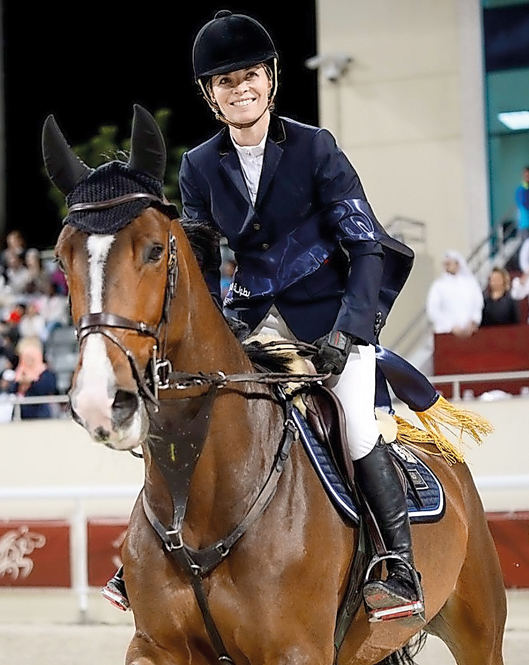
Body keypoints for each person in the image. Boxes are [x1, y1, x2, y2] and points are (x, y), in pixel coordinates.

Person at [109, 10, 423, 622]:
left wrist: (351, 330)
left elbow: (363, 244)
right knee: (186, 412)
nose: (240, 88)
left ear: (271, 78)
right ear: (209, 94)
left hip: (330, 319)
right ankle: (144, 557)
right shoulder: (199, 166)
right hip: (249, 320)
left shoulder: (314, 146)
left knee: (356, 424)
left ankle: (398, 564)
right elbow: (199, 260)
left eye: (249, 75)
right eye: (225, 82)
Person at [425, 251, 483, 337]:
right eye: (445, 264)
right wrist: (450, 326)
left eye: (449, 263)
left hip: (470, 332)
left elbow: (478, 303)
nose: (447, 266)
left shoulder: (471, 283)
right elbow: (433, 310)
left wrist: (474, 321)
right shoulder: (438, 285)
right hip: (447, 333)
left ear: (458, 264)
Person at [12, 337, 57, 419]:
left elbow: (47, 389)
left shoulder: (46, 373)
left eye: (31, 357)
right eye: (26, 357)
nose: (28, 360)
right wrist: (19, 382)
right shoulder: (19, 372)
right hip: (21, 412)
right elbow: (11, 390)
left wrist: (31, 382)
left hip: (40, 411)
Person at [515, 166, 529, 237]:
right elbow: (525, 203)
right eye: (526, 175)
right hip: (525, 223)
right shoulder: (522, 189)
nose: (528, 178)